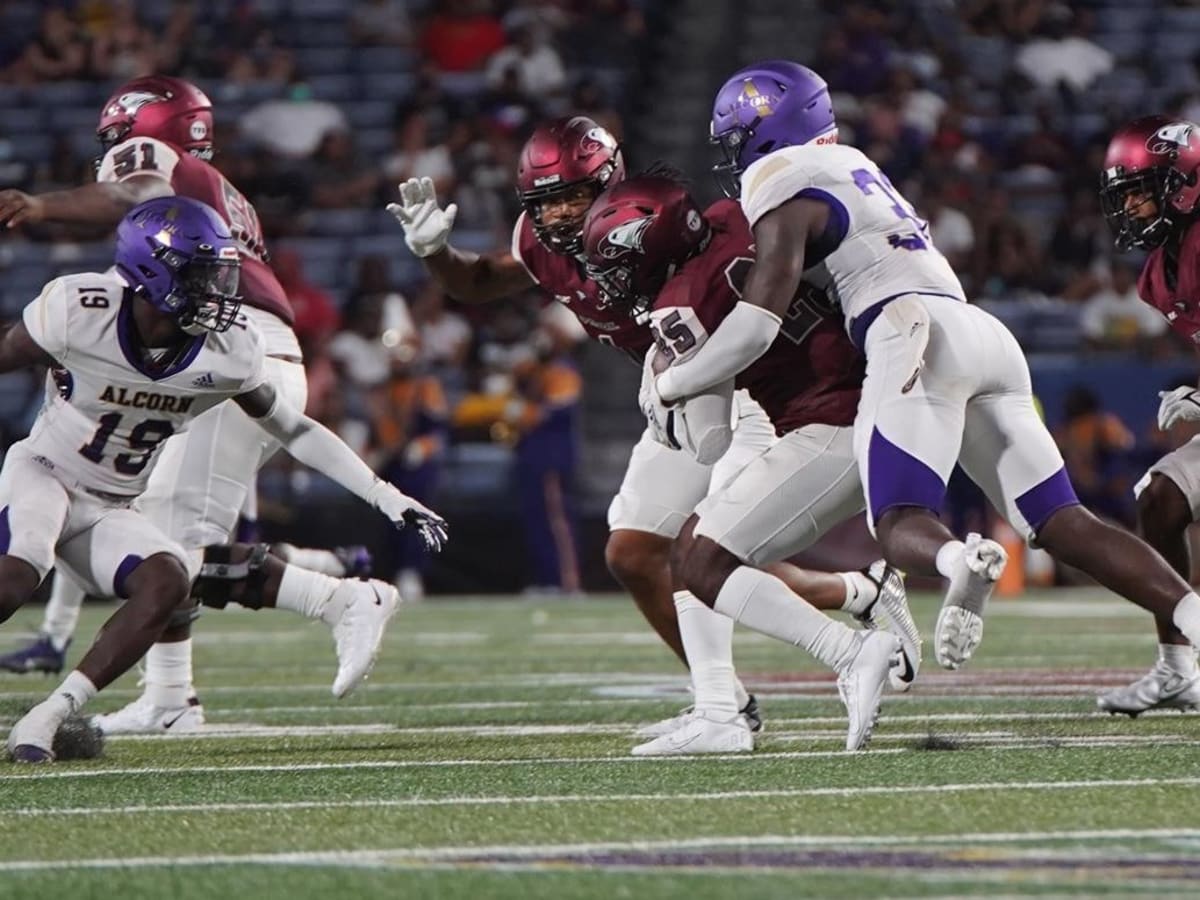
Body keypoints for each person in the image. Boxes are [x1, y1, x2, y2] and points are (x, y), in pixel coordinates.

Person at [389, 116, 905, 751]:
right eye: (545, 203)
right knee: (633, 554)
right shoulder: (540, 241)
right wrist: (434, 253)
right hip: (675, 391)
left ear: (609, 181)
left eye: (575, 197)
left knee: (708, 547)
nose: (559, 216)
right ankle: (836, 609)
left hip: (742, 387)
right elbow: (480, 281)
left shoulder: (650, 224)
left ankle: (724, 710)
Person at [687, 60, 1200, 676]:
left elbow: (757, 321)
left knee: (901, 519)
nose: (736, 155)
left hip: (911, 334)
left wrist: (675, 381)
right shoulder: (855, 165)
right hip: (979, 331)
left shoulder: (779, 171)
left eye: (738, 138)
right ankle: (1192, 616)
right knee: (1064, 521)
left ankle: (960, 562)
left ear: (766, 130)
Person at [0, 76, 403, 734]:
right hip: (230, 343)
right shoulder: (212, 194)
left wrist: (39, 209)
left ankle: (339, 597)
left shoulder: (164, 173)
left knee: (174, 548)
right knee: (152, 528)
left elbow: (125, 198)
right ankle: (169, 697)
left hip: (220, 349)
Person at [582, 174, 918, 752]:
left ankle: (838, 656)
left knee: (695, 554)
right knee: (699, 546)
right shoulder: (734, 216)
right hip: (885, 389)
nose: (612, 283)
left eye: (616, 265)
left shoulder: (680, 302)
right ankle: (725, 706)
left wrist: (670, 384)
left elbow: (708, 440)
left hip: (834, 426)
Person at [1094, 116, 1200, 715]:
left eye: (1141, 188)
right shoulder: (1160, 271)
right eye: (1125, 192)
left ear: (1181, 181)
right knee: (1160, 496)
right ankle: (1176, 671)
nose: (1130, 204)